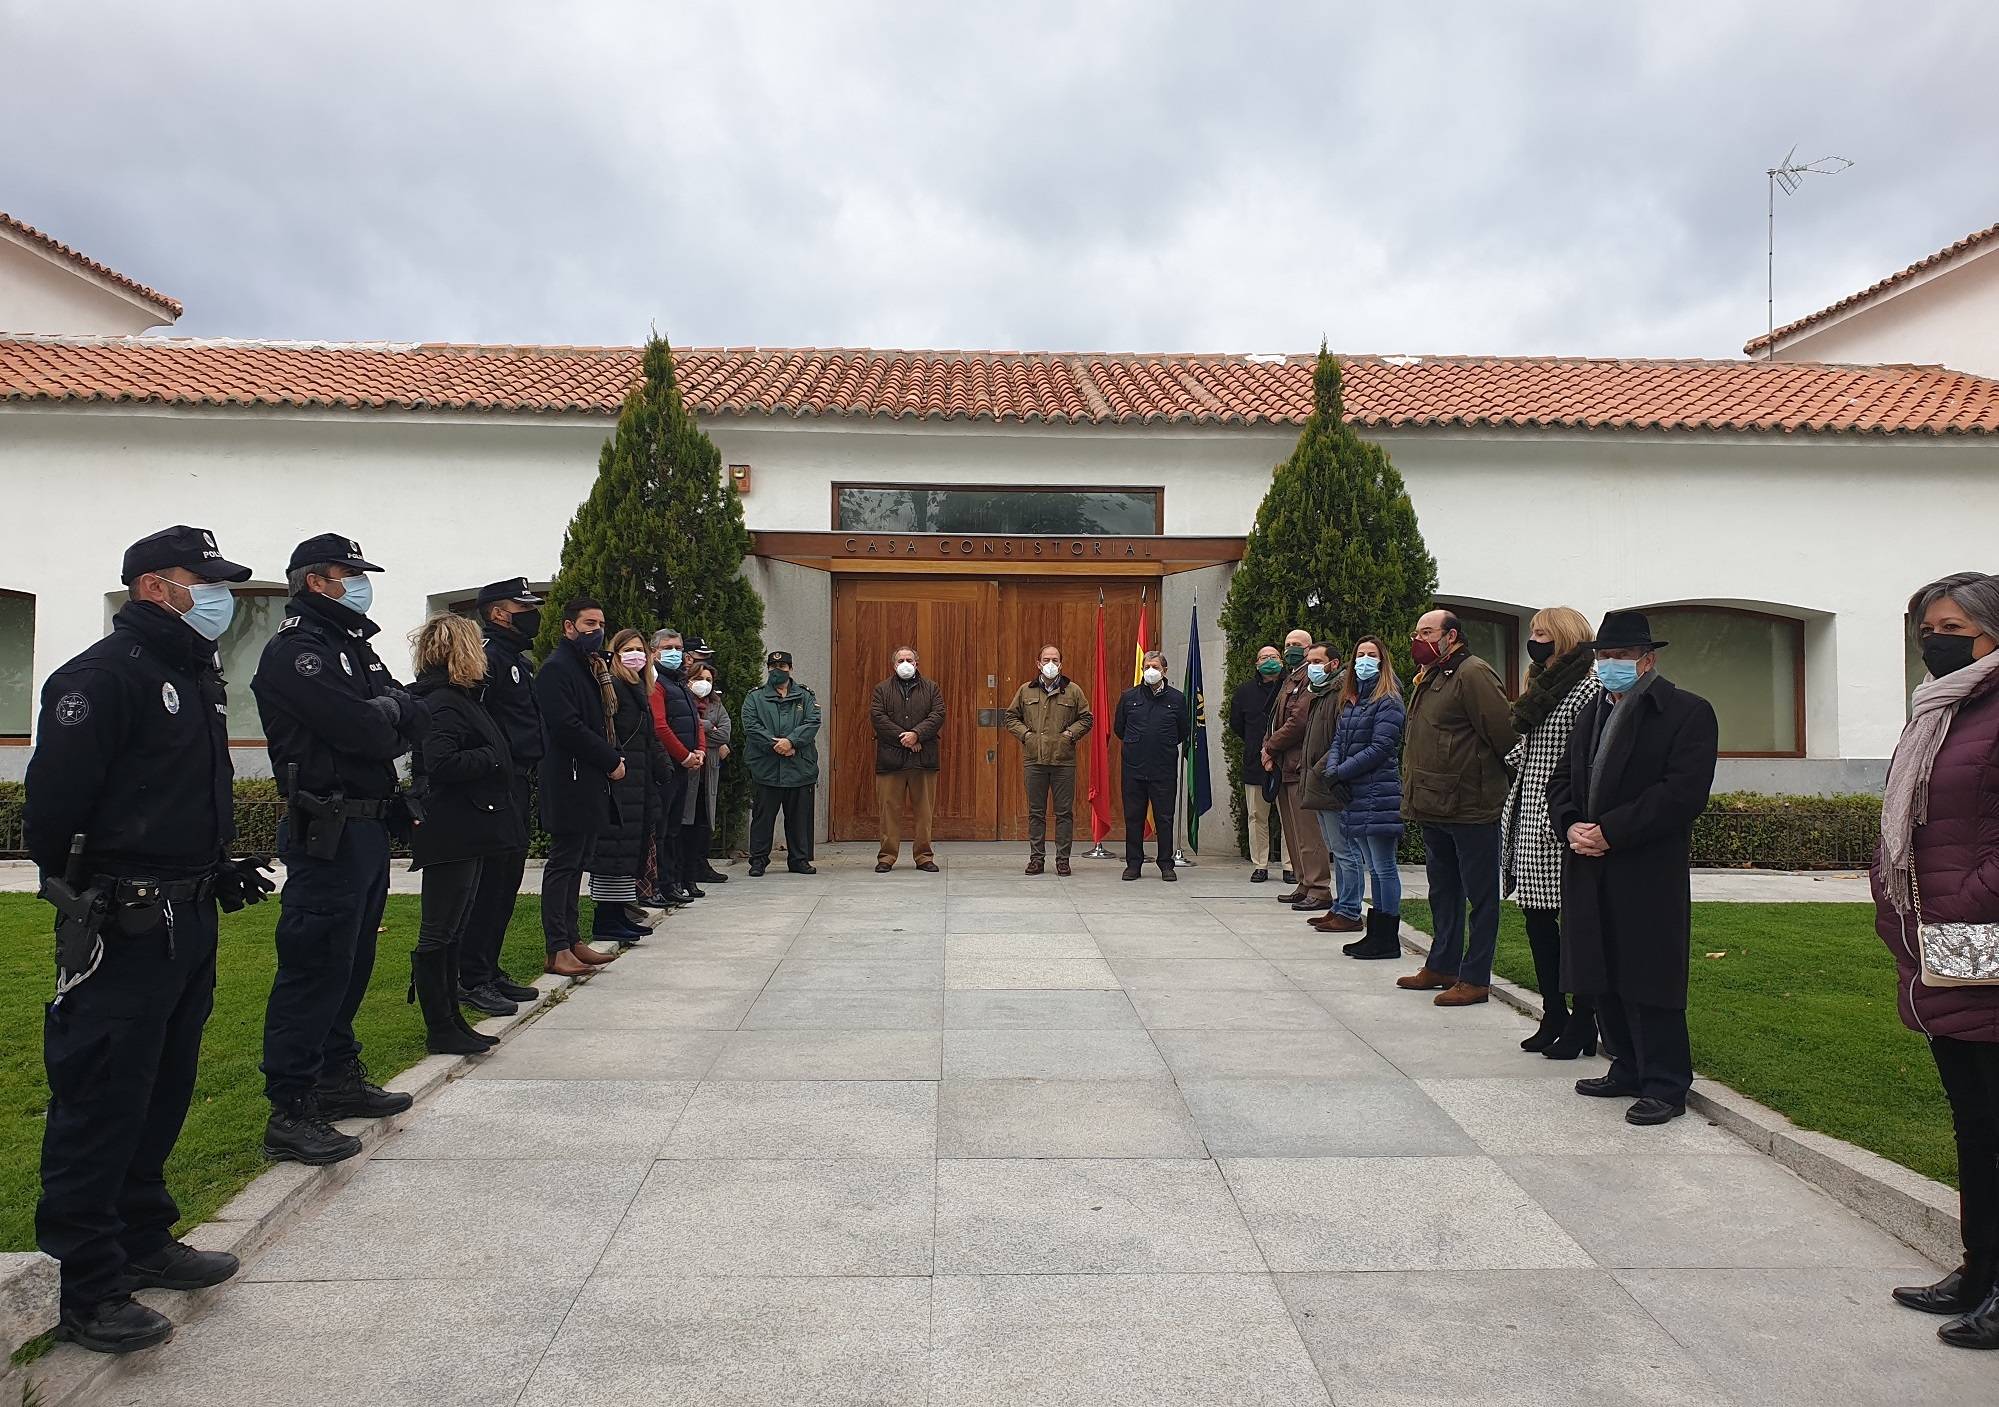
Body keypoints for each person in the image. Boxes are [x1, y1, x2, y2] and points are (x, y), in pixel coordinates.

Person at [23, 526, 268, 1354]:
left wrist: (210, 864)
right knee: (100, 1096)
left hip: (184, 915)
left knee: (163, 1084)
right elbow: (54, 809)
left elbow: (174, 793)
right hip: (121, 922)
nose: (218, 596)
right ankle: (86, 1282)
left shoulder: (188, 672)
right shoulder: (104, 675)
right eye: (204, 582)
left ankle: (142, 1233)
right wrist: (96, 892)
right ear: (153, 586)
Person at [256, 534, 430, 1170]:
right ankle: (292, 1105)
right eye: (346, 575)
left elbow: (411, 713)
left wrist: (386, 711)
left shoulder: (351, 648)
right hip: (323, 829)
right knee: (314, 966)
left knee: (352, 961)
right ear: (313, 582)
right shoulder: (297, 654)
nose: (357, 584)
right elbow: (362, 728)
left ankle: (335, 1074)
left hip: (364, 826)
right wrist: (386, 713)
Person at [1875, 572, 1999, 1349]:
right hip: (1943, 943)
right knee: (1973, 1119)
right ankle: (1978, 1267)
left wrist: (1963, 905)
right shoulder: (1940, 712)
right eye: (1926, 627)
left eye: (1950, 625)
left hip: (1980, 935)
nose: (1935, 638)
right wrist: (1904, 913)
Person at [1547, 609, 1718, 1127]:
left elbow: (1681, 793)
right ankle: (1625, 1064)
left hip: (1645, 867)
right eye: (1602, 657)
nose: (1608, 666)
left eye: (1619, 657)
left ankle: (1666, 1082)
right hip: (1589, 863)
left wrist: (1612, 831)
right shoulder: (1591, 712)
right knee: (1601, 970)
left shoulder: (1687, 712)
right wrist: (1572, 825)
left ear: (1647, 660)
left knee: (1650, 973)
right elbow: (1563, 779)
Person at [405, 614, 524, 1055]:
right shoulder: (442, 702)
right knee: (440, 928)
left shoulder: (463, 698)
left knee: (455, 924)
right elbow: (440, 762)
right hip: (452, 828)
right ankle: (440, 1024)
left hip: (471, 828)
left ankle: (451, 1015)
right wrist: (493, 758)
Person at [1395, 609, 1517, 1007]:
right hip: (1433, 804)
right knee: (1442, 891)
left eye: (1427, 631)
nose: (1419, 638)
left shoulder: (1473, 673)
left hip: (1470, 805)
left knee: (1481, 896)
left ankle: (1475, 976)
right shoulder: (1432, 675)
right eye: (1417, 632)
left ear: (1452, 636)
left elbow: (1503, 735)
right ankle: (1442, 964)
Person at [1501, 606, 1602, 1056]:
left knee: (1576, 926)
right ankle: (1552, 1013)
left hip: (1563, 818)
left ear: (1563, 636)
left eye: (1542, 632)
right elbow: (1530, 745)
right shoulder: (1538, 683)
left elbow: (1587, 755)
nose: (1534, 638)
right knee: (1538, 921)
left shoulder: (1588, 688)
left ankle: (1584, 1019)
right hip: (1528, 812)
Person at [458, 577, 547, 1018]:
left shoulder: (515, 659)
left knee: (507, 881)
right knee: (491, 883)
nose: (532, 615)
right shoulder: (488, 658)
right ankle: (470, 977)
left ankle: (488, 968)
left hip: (517, 778)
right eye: (523, 606)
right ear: (497, 612)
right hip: (496, 781)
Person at [535, 598, 623, 975]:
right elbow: (567, 726)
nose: (596, 630)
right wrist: (610, 759)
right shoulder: (557, 669)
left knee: (578, 864)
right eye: (588, 623)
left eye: (600, 623)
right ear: (568, 627)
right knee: (564, 864)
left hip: (588, 780)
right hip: (568, 778)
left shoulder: (590, 667)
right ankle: (557, 947)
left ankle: (572, 940)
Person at [1317, 636, 1406, 959]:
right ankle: (1375, 934)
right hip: (1356, 792)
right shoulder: (1353, 699)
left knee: (1383, 867)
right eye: (1360, 655)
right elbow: (1340, 739)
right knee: (1372, 865)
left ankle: (1387, 937)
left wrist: (1342, 772)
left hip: (1378, 791)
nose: (1365, 660)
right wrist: (1333, 768)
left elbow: (1381, 748)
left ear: (1382, 662)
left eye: (1372, 655)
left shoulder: (1389, 700)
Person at [589, 629, 673, 944]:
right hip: (621, 780)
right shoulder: (616, 688)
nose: (636, 655)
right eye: (629, 649)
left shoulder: (639, 688)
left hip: (639, 782)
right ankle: (607, 918)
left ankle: (619, 913)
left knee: (629, 851)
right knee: (614, 850)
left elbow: (649, 738)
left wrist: (662, 769)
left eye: (640, 649)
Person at [1004, 643, 1094, 876]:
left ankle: (1063, 860)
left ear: (1061, 664)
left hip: (1064, 761)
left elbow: (1086, 718)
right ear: (1038, 663)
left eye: (1055, 660)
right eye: (1046, 660)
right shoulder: (1026, 690)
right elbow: (1011, 717)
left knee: (1064, 813)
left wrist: (1069, 735)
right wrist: (1026, 736)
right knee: (1036, 812)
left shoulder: (1073, 690)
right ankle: (1037, 859)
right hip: (1034, 760)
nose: (1050, 664)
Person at [1265, 629, 1334, 911]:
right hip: (1286, 765)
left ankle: (1319, 888)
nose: (1291, 649)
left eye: (1297, 645)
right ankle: (1304, 882)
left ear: (1309, 649)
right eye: (1287, 645)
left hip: (1301, 764)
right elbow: (1275, 718)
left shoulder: (1308, 678)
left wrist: (1270, 747)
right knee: (1292, 832)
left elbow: (1299, 720)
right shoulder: (1291, 677)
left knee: (1308, 833)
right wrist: (1267, 747)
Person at [742, 649, 821, 876]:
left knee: (798, 819)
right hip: (766, 768)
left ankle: (799, 860)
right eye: (773, 667)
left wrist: (791, 742)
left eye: (783, 667)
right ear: (768, 669)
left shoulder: (805, 696)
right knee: (763, 818)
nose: (778, 671)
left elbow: (813, 722)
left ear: (791, 669)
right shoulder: (755, 697)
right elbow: (751, 726)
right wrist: (776, 745)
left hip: (798, 767)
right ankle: (758, 861)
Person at [1115, 649, 1190, 881]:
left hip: (1163, 769)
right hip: (1134, 769)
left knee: (1164, 818)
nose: (1151, 671)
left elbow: (1183, 731)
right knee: (1134, 817)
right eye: (1147, 667)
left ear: (1164, 671)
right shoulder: (1129, 697)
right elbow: (1120, 729)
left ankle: (1166, 864)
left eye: (1155, 667)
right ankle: (1133, 864)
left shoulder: (1177, 699)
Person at [871, 645, 946, 873]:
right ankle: (887, 856)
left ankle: (923, 856)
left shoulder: (932, 688)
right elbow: (877, 717)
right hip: (891, 761)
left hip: (923, 760)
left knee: (924, 812)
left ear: (916, 663)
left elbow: (938, 714)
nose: (905, 663)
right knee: (889, 810)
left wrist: (917, 735)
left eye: (909, 659)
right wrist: (904, 738)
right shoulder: (882, 689)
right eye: (901, 660)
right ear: (894, 665)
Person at [1297, 644, 1352, 926]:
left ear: (1334, 664)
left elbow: (1343, 739)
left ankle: (1348, 909)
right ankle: (1341, 907)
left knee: (1343, 851)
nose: (1311, 667)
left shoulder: (1340, 693)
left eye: (1317, 661)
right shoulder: (1320, 693)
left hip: (1330, 782)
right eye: (1309, 662)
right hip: (1317, 781)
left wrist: (1321, 770)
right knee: (1334, 847)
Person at [647, 627, 702, 903]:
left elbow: (695, 720)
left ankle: (671, 883)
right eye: (668, 648)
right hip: (667, 767)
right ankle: (658, 884)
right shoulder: (656, 683)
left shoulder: (679, 682)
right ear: (654, 651)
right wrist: (683, 755)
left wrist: (700, 750)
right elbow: (660, 726)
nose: (675, 653)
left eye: (679, 648)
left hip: (684, 766)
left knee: (674, 829)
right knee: (662, 828)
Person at [1229, 644, 1287, 882]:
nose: (1269, 661)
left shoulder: (1291, 687)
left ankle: (1290, 865)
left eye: (1273, 656)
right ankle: (1260, 864)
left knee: (1288, 819)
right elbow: (1236, 724)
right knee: (1257, 816)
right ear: (1256, 663)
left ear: (1281, 661)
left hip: (1286, 762)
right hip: (1255, 763)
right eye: (1264, 657)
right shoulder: (1244, 692)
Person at [675, 659, 732, 893]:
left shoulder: (716, 704)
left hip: (707, 773)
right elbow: (682, 729)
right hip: (687, 771)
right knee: (682, 822)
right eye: (699, 679)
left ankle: (699, 865)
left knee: (702, 821)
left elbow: (725, 733)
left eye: (708, 680)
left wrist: (703, 730)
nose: (704, 684)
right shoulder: (681, 701)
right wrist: (708, 726)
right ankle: (681, 871)